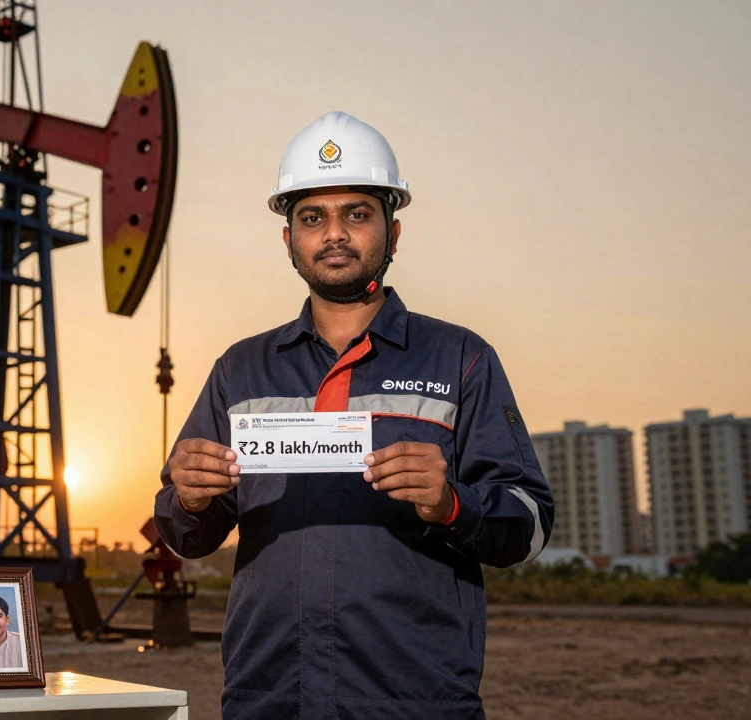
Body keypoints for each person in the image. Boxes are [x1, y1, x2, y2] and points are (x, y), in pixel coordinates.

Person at [154, 111, 554, 719]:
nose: (334, 234)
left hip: (416, 703)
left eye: (357, 214)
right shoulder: (240, 370)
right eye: (312, 217)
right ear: (288, 239)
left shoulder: (461, 359)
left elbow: (529, 526)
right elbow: (186, 536)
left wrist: (451, 504)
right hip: (269, 700)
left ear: (393, 233)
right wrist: (189, 497)